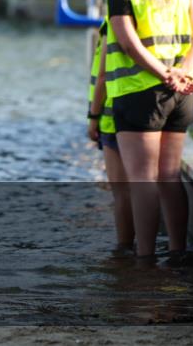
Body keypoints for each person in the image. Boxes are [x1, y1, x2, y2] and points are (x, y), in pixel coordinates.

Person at [105, 0, 193, 262]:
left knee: (142, 180)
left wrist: (165, 74)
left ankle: (145, 259)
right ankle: (177, 251)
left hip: (139, 95)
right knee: (169, 176)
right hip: (180, 95)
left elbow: (129, 44)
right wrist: (183, 72)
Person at [87, 22, 134, 253]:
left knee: (122, 192)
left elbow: (103, 76)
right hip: (149, 108)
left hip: (112, 115)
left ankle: (124, 251)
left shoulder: (112, 23)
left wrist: (93, 117)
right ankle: (150, 250)